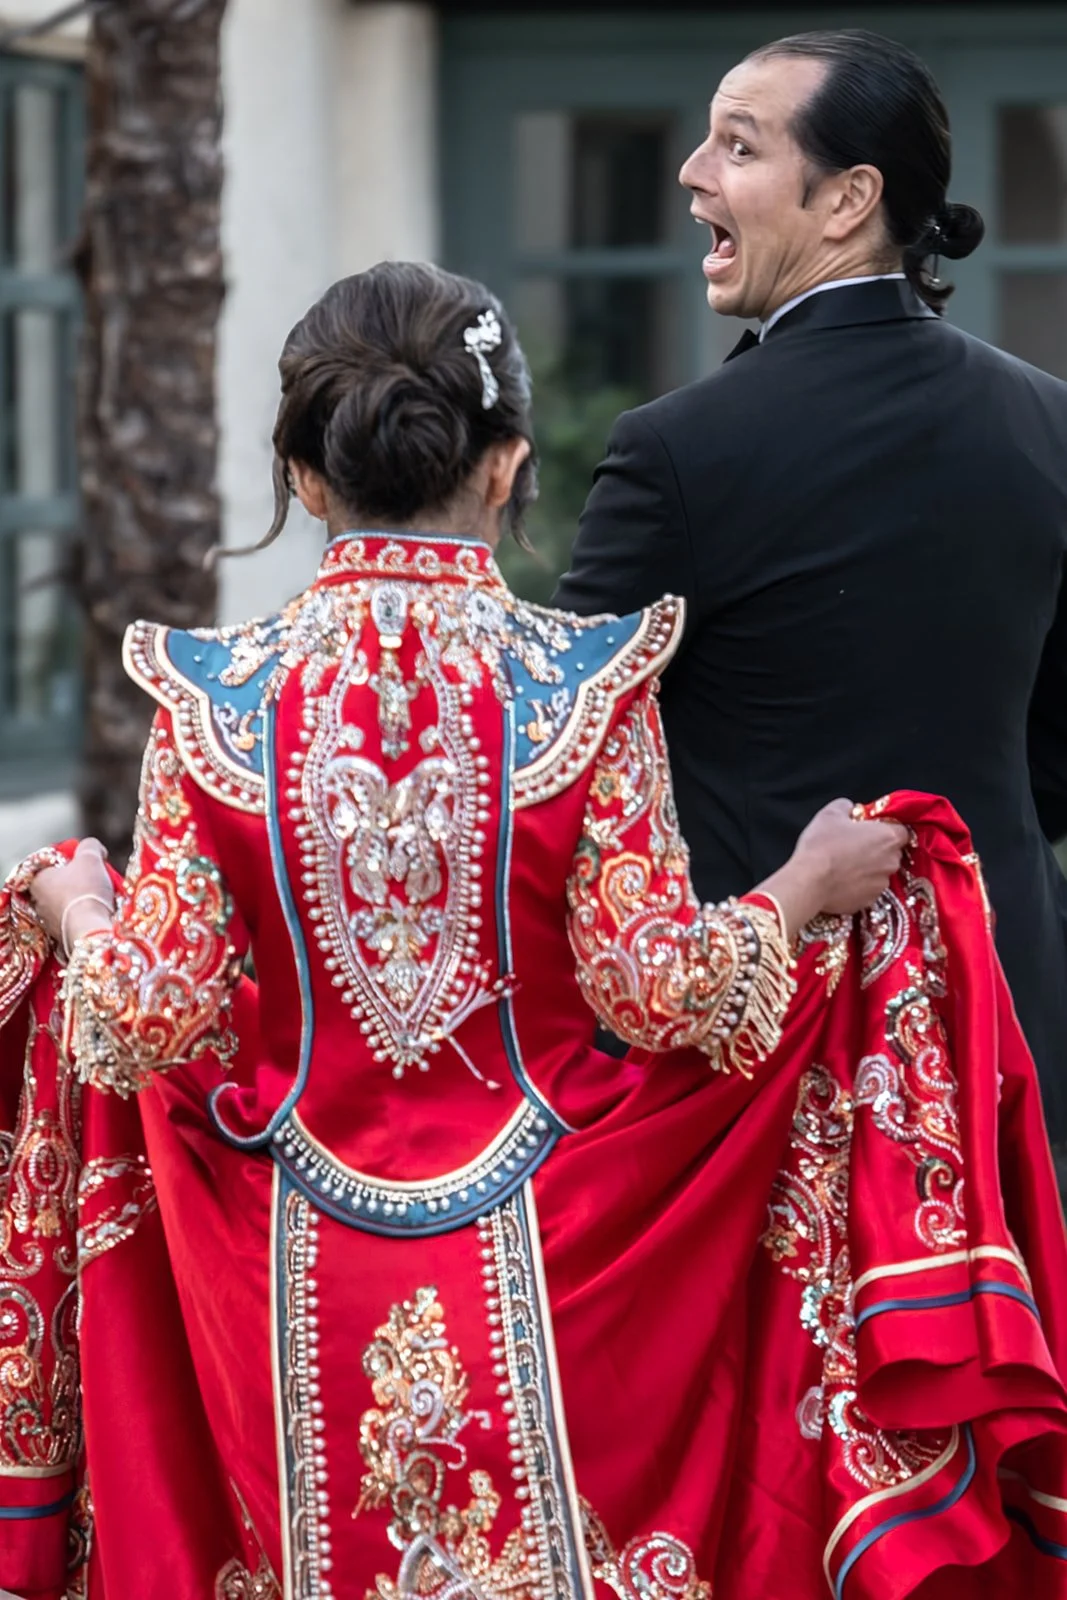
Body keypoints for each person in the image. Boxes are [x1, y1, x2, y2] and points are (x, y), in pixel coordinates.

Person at [1, 263, 1066, 1600]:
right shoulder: (582, 687)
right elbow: (658, 994)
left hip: (279, 1280)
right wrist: (802, 886)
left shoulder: (212, 701)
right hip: (560, 1273)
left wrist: (71, 900)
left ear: (305, 478)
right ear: (506, 467)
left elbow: (138, 1016)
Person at [554, 28, 1067, 1175]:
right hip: (1000, 1024)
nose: (691, 172)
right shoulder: (1049, 425)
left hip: (760, 1052)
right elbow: (1054, 749)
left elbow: (566, 758)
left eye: (735, 146)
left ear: (847, 200)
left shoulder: (675, 453)